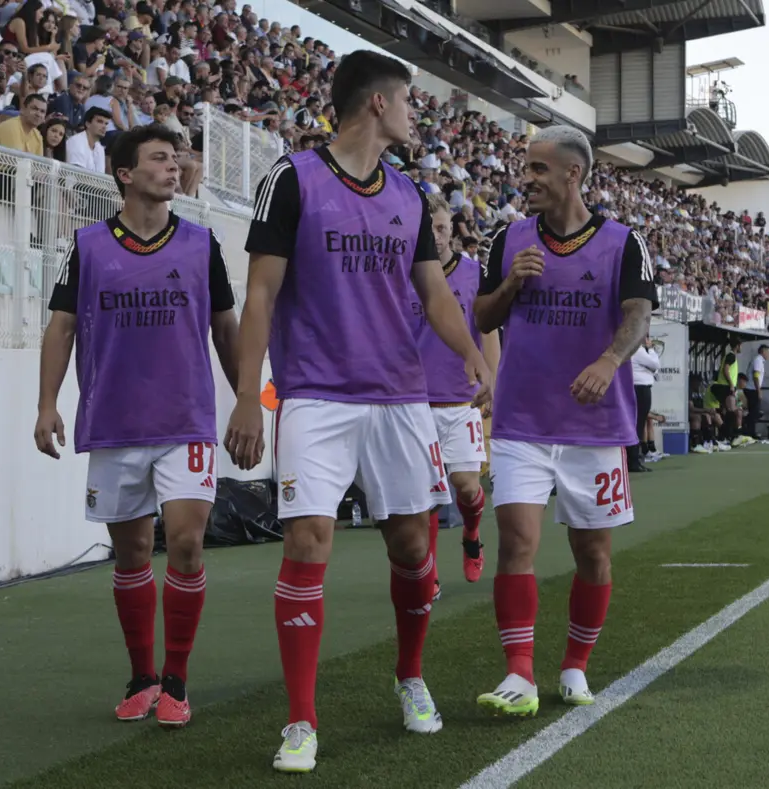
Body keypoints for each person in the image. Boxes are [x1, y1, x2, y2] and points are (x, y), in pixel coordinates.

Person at [223, 50, 492, 774]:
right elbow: (259, 296)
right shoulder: (292, 178)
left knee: (410, 546)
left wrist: (469, 351)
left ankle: (411, 675)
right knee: (308, 540)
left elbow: (434, 292)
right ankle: (302, 720)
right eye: (409, 99)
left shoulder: (408, 192)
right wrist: (249, 393)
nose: (415, 112)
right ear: (378, 102)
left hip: (399, 396)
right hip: (314, 391)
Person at [33, 124, 240, 729]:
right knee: (129, 556)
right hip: (114, 421)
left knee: (185, 542)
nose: (174, 168)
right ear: (125, 174)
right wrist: (46, 404)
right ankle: (142, 675)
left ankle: (176, 678)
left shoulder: (202, 244)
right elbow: (61, 327)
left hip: (186, 420)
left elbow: (226, 328)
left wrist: (249, 398)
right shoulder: (89, 245)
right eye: (159, 159)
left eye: (176, 160)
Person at [472, 126, 658, 716]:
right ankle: (519, 675)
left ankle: (575, 665)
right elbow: (481, 313)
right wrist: (510, 284)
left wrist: (608, 360)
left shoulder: (624, 243)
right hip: (523, 419)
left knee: (593, 554)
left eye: (538, 169)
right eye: (526, 168)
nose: (526, 178)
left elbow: (638, 316)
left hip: (594, 427)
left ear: (572, 174)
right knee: (517, 544)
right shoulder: (509, 238)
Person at [415, 192, 502, 595]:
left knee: (466, 486)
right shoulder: (404, 272)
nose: (437, 235)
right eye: (431, 227)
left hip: (461, 399)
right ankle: (428, 574)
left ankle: (471, 533)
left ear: (453, 229)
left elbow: (487, 330)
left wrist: (492, 381)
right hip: (414, 401)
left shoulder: (473, 272)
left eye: (443, 227)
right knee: (427, 496)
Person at [627, 336, 659, 472]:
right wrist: (651, 350)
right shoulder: (638, 351)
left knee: (638, 424)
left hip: (638, 388)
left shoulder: (635, 350)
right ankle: (634, 460)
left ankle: (635, 458)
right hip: (641, 388)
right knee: (638, 424)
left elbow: (655, 370)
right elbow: (655, 365)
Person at [743, 344, 768, 439]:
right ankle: (748, 431)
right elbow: (756, 376)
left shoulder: (759, 360)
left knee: (755, 412)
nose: (768, 354)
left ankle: (750, 432)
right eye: (767, 352)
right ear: (763, 351)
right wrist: (759, 390)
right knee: (754, 412)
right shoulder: (758, 360)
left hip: (752, 389)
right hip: (752, 389)